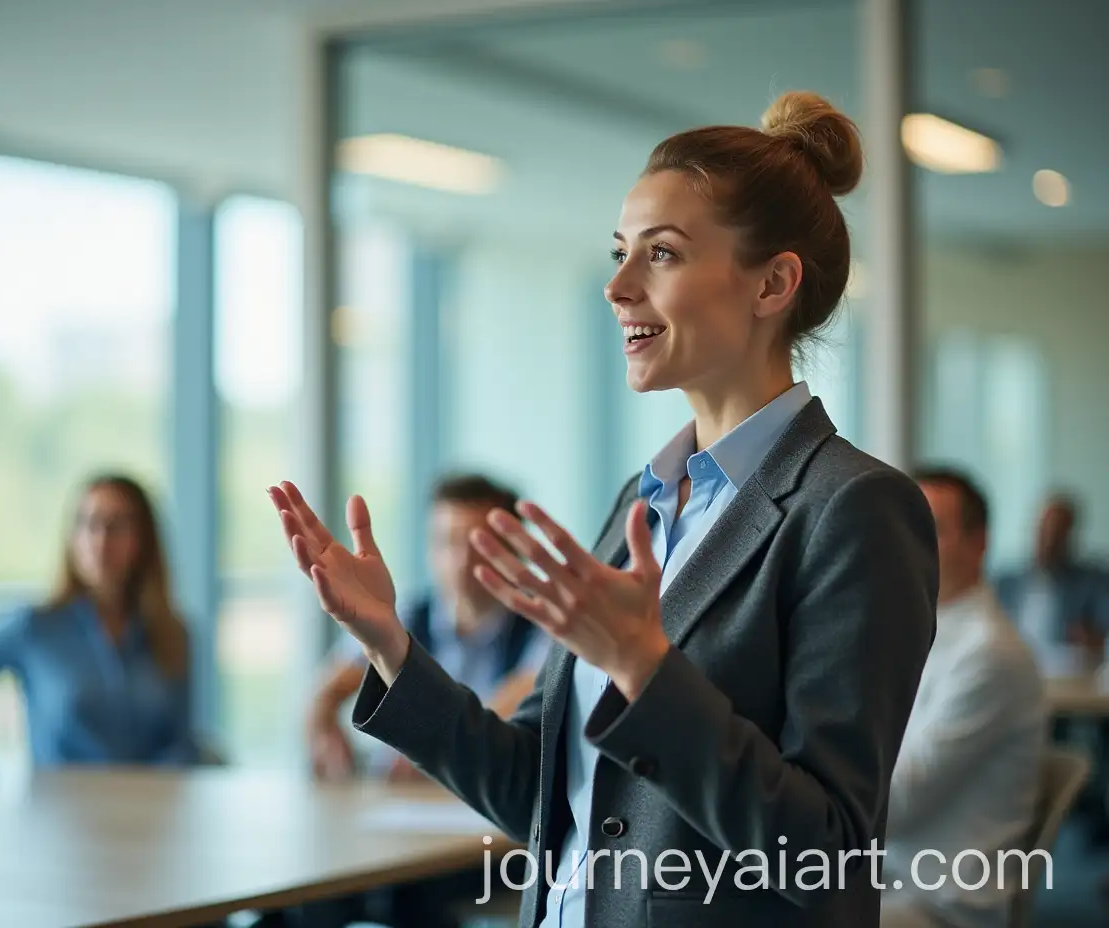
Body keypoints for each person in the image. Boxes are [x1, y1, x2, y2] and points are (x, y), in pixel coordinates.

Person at [270, 91, 937, 928]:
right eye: (621, 252)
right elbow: (539, 792)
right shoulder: (645, 501)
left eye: (660, 255)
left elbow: (826, 856)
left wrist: (646, 673)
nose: (618, 286)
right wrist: (391, 646)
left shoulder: (854, 510)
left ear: (773, 282)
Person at [0, 474, 198, 767]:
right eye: (88, 524)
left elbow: (180, 741)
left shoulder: (172, 634)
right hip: (60, 813)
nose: (100, 541)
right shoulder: (34, 628)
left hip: (149, 814)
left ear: (144, 539)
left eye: (117, 525)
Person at [880, 469, 1044, 928]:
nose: (910, 542)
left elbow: (896, 804)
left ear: (979, 543)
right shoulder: (917, 631)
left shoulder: (988, 653)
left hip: (938, 905)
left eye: (932, 527)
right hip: (882, 879)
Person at [307, 473, 548, 783]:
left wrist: (428, 747)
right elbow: (325, 692)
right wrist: (324, 726)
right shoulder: (403, 616)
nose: (460, 561)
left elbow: (502, 712)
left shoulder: (541, 629)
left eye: (478, 544)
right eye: (446, 542)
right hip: (398, 799)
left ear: (514, 550)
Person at [995, 493, 1109, 676]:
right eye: (1044, 530)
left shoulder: (1091, 582)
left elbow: (1101, 631)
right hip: (1012, 671)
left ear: (1070, 536)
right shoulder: (1006, 582)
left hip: (1068, 677)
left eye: (1057, 533)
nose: (1048, 541)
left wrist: (1091, 637)